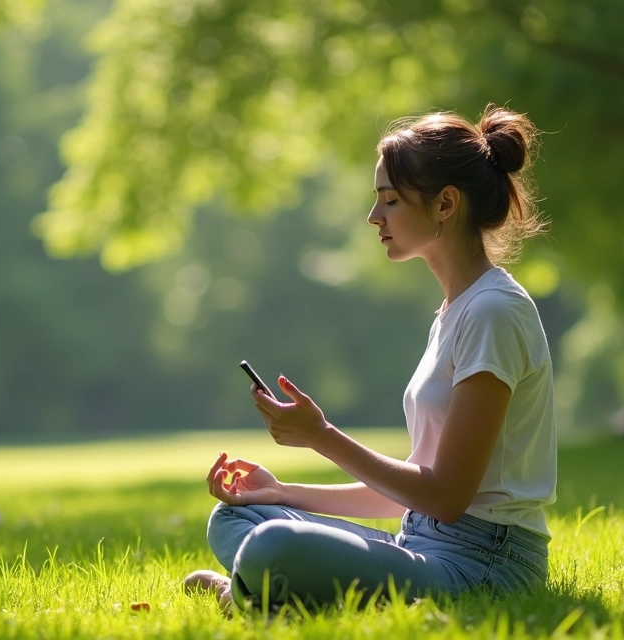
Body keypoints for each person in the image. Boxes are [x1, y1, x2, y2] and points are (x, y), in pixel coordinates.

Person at [183, 104, 556, 613]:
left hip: (485, 566)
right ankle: (271, 593)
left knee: (272, 546)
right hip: (421, 543)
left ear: (446, 203)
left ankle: (250, 595)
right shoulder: (455, 311)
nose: (373, 216)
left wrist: (321, 437)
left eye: (390, 200)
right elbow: (412, 493)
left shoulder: (493, 312)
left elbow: (446, 497)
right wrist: (281, 491)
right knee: (240, 519)